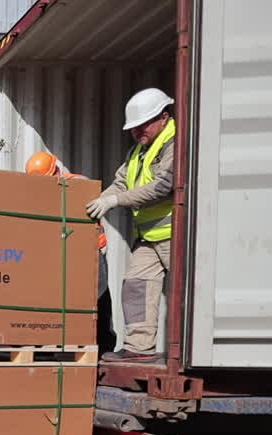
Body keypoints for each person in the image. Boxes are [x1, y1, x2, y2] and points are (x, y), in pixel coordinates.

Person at [85, 88, 177, 363]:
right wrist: (97, 202)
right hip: (149, 236)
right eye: (134, 128)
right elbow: (122, 181)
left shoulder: (175, 145)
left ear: (163, 117)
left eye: (143, 125)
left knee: (187, 297)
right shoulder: (138, 150)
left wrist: (115, 201)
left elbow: (164, 186)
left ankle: (188, 353)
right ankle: (138, 348)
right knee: (135, 285)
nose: (137, 132)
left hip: (178, 235)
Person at [24, 152, 116, 354]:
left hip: (91, 249)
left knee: (97, 295)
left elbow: (84, 195)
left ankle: (104, 344)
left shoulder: (76, 183)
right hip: (63, 252)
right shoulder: (38, 193)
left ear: (56, 170)